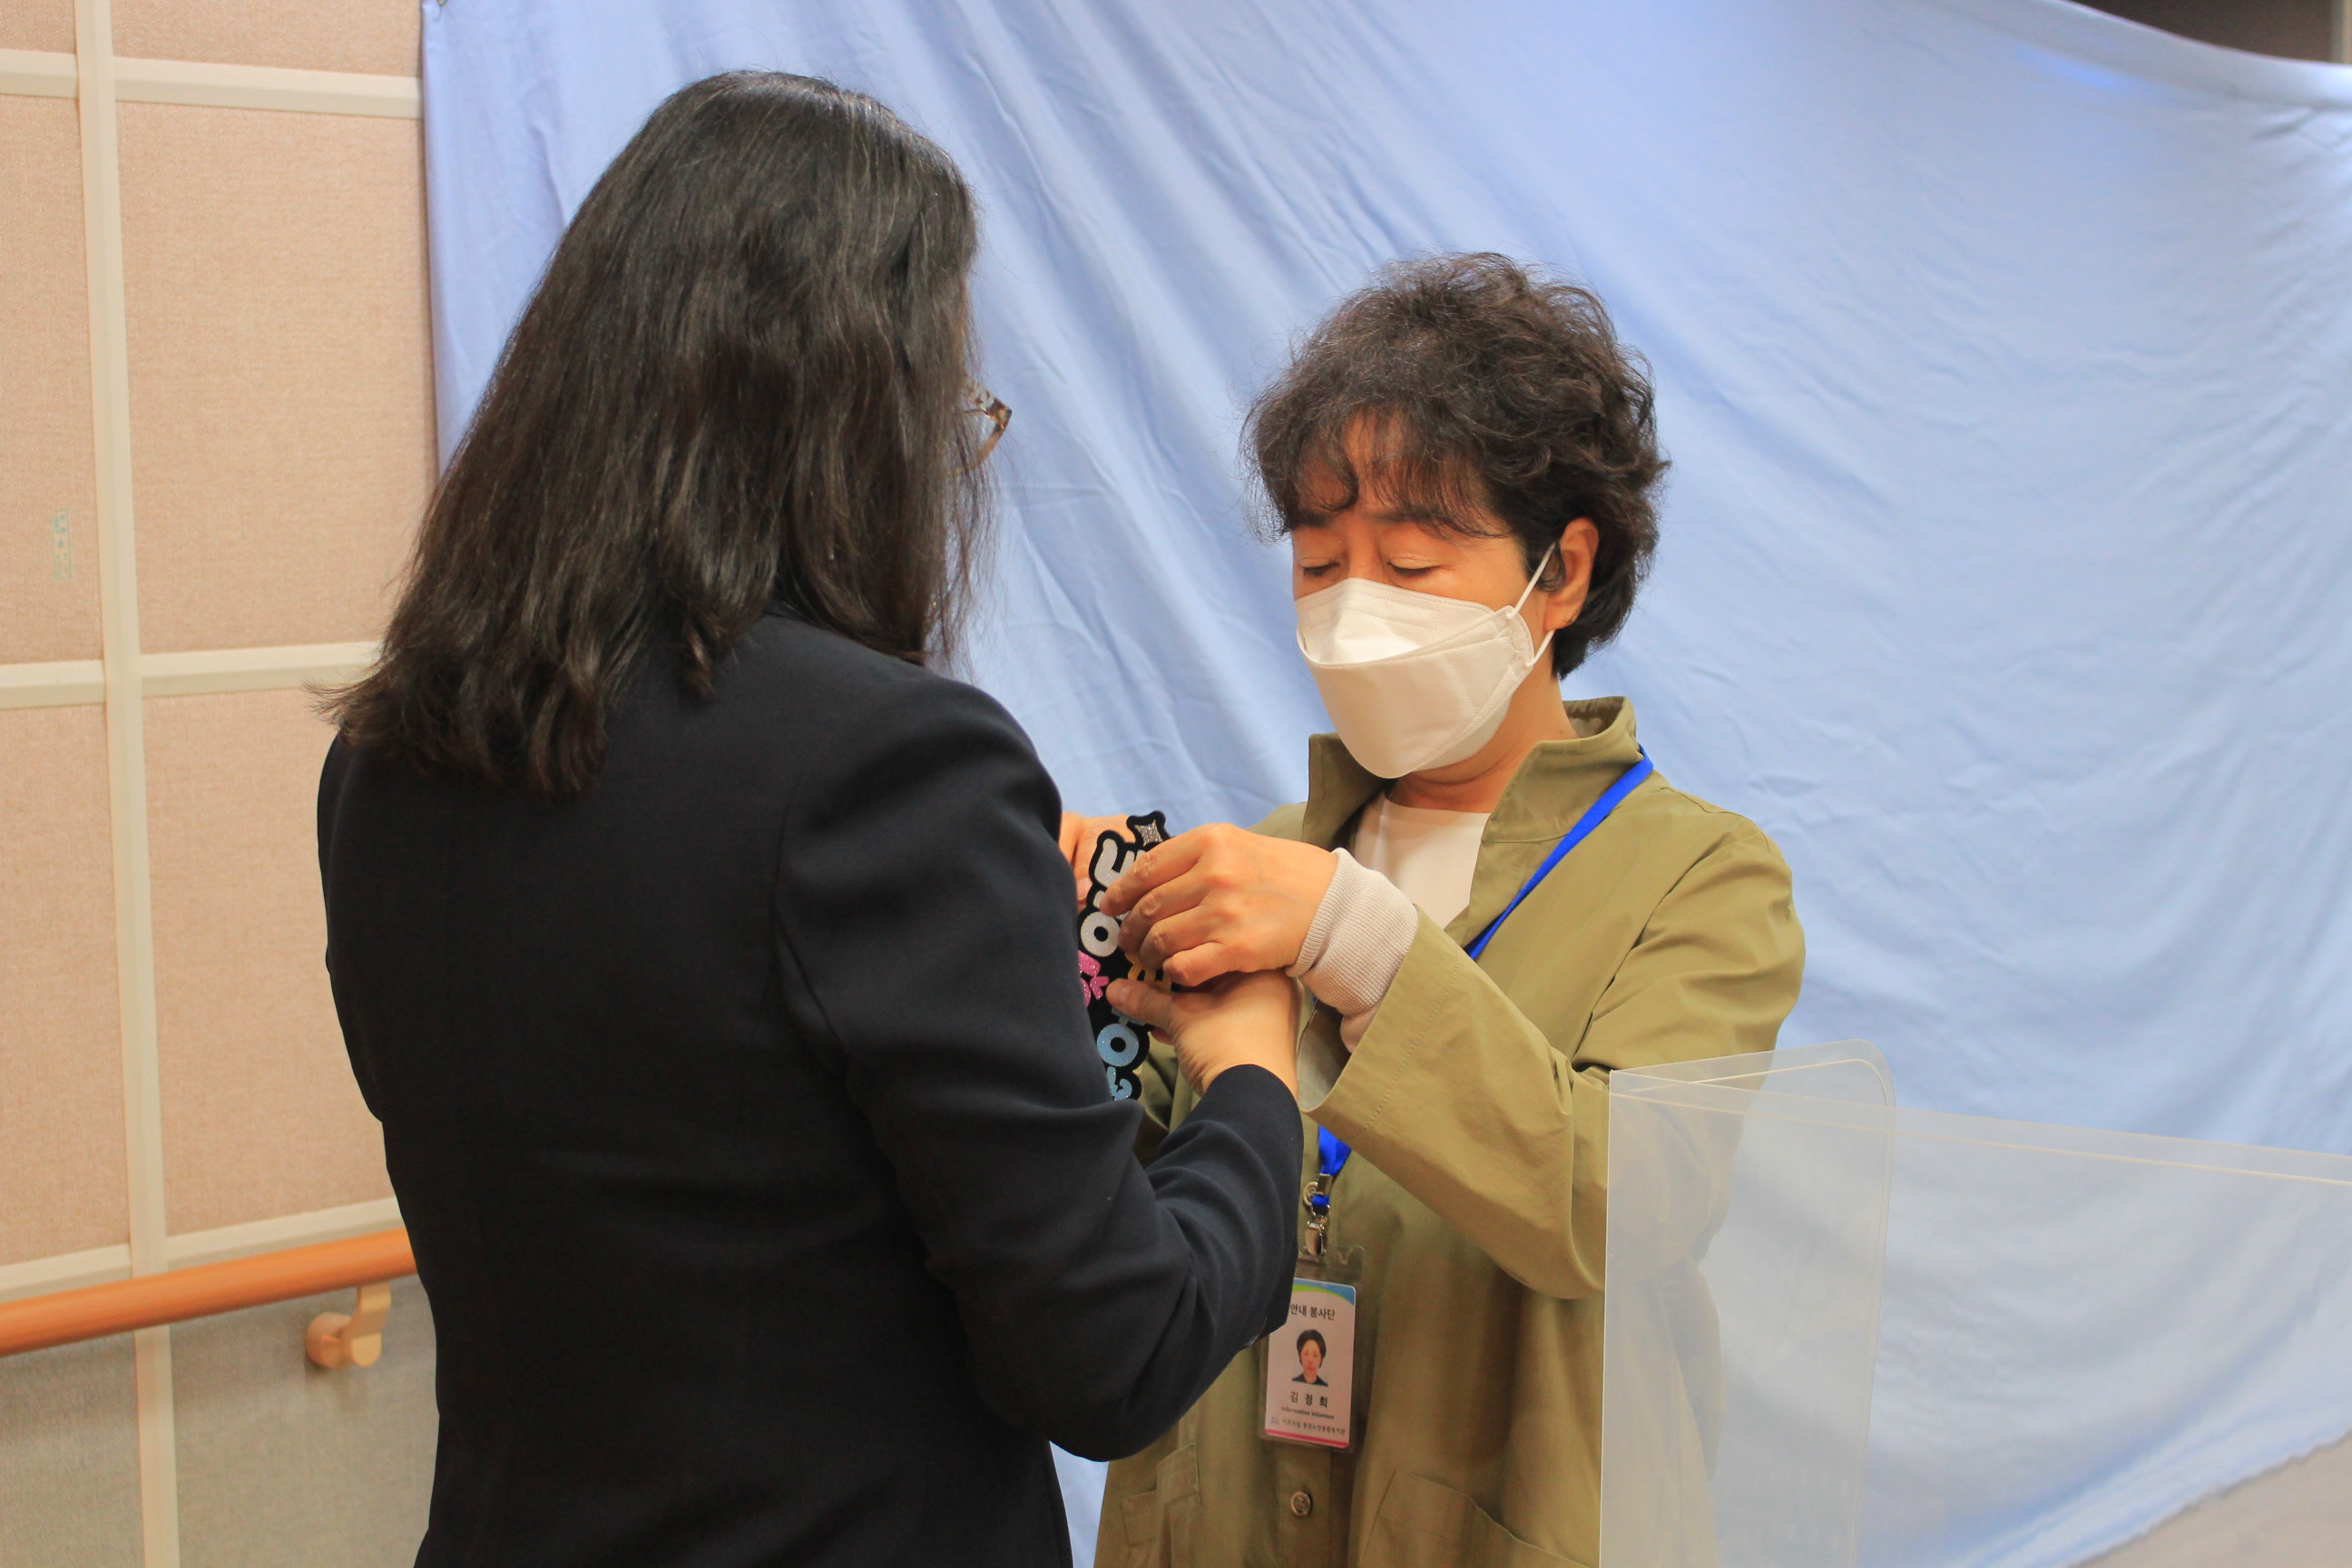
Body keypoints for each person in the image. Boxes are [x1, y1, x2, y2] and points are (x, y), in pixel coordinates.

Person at [316, 73, 1303, 1568]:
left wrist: (988, 937)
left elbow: (706, 1134)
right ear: (855, 424)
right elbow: (1113, 1351)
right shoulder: (890, 764)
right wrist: (1252, 1082)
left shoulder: (391, 757)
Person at [1073, 255, 1805, 1566]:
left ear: (1562, 570)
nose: (1355, 612)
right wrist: (1078, 985)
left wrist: (1357, 944)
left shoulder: (1701, 878)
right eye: (1320, 564)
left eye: (1410, 561)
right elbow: (1133, 1215)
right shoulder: (1271, 860)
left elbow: (1616, 1207)